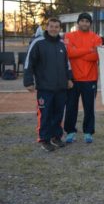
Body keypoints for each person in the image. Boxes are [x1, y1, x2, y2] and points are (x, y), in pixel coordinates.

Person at [23, 17, 73, 152]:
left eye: (57, 27)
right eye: (51, 26)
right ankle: (44, 139)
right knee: (45, 114)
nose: (54, 29)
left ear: (59, 29)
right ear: (47, 27)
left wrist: (69, 79)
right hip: (45, 87)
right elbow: (29, 62)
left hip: (61, 87)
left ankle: (56, 137)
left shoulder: (62, 44)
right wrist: (28, 81)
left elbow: (67, 64)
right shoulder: (38, 43)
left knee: (58, 114)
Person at [63, 13, 103, 144]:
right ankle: (70, 132)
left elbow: (96, 57)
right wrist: (89, 50)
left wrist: (78, 51)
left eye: (87, 21)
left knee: (89, 107)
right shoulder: (69, 36)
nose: (84, 23)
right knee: (70, 107)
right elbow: (69, 53)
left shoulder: (97, 38)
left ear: (90, 24)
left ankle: (88, 132)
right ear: (78, 23)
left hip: (90, 79)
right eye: (82, 21)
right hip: (73, 79)